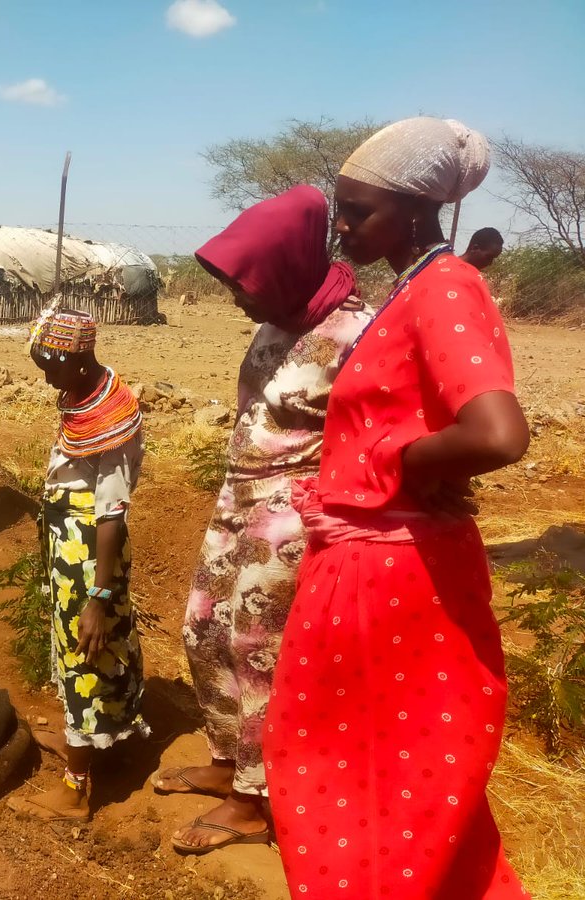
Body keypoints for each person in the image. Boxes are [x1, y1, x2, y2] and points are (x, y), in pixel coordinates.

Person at [263, 118, 530, 898]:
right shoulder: (413, 287)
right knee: (370, 773)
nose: (341, 226)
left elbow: (497, 432)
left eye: (358, 210)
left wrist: (392, 461)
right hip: (373, 565)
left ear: (415, 213)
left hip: (394, 580)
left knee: (372, 776)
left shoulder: (447, 285)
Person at [160, 186, 372, 856]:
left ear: (283, 267)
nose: (236, 298)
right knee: (200, 626)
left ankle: (254, 800)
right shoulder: (280, 315)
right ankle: (226, 761)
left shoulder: (355, 335)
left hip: (291, 506)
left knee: (257, 648)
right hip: (239, 491)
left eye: (243, 283)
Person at [6, 310, 146, 822]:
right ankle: (79, 740)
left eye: (50, 365)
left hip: (91, 557)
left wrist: (98, 595)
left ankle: (76, 788)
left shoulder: (114, 419)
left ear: (80, 359)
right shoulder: (82, 396)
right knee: (74, 647)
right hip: (71, 549)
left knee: (88, 651)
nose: (46, 377)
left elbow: (111, 513)